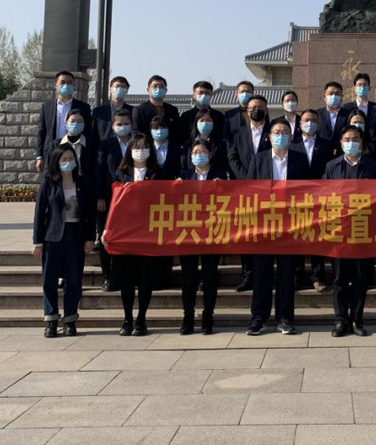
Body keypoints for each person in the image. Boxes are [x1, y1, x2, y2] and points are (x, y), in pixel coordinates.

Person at [245, 119, 310, 335]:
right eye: (276, 132)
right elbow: (250, 191)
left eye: (284, 132)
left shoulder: (300, 160)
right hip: (264, 225)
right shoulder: (258, 159)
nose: (280, 135)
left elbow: (308, 192)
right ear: (269, 136)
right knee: (261, 273)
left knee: (286, 274)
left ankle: (284, 318)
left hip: (290, 225)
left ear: (291, 137)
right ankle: (258, 318)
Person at [111, 134, 174, 336]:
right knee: (126, 279)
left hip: (148, 232)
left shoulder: (158, 173)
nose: (140, 150)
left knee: (145, 278)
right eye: (136, 147)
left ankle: (141, 319)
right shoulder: (121, 174)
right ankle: (127, 319)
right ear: (130, 151)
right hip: (125, 233)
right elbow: (113, 204)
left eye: (144, 147)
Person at [32, 143, 95, 337]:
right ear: (56, 161)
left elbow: (90, 214)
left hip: (76, 235)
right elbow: (39, 214)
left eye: (71, 159)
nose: (68, 162)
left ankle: (70, 320)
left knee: (74, 279)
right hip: (53, 236)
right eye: (64, 159)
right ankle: (51, 319)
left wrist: (90, 238)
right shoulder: (49, 183)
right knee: (49, 279)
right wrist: (37, 242)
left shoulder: (83, 183)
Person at [324, 125, 376, 337]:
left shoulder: (372, 167)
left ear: (361, 142)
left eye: (355, 139)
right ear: (341, 143)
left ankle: (357, 320)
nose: (351, 142)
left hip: (362, 230)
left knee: (359, 278)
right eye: (347, 139)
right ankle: (340, 320)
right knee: (339, 279)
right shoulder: (331, 166)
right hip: (339, 231)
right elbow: (323, 196)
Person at [176, 140, 227, 335]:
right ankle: (188, 317)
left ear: (210, 154)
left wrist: (224, 188)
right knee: (188, 278)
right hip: (188, 232)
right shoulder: (184, 176)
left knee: (209, 277)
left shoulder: (220, 175)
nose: (199, 155)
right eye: (195, 152)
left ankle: (208, 317)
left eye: (202, 151)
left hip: (212, 233)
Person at [227, 94, 271, 292]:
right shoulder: (238, 133)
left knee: (265, 233)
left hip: (267, 191)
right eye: (252, 107)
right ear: (247, 111)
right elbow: (232, 157)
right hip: (243, 190)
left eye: (260, 107)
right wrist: (247, 178)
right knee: (245, 233)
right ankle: (248, 274)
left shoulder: (274, 131)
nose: (256, 110)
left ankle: (264, 274)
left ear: (266, 111)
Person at [290, 108, 333, 292]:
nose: (310, 123)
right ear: (300, 124)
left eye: (313, 120)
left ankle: (318, 276)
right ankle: (297, 276)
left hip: (319, 196)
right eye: (306, 120)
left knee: (318, 237)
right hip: (297, 198)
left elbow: (328, 168)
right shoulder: (292, 144)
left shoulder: (326, 144)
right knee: (298, 237)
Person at [94, 109, 133, 290]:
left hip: (131, 201)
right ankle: (107, 276)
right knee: (106, 236)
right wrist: (100, 196)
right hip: (109, 198)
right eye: (119, 124)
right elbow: (99, 171)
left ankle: (124, 275)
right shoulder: (105, 144)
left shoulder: (137, 144)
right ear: (112, 126)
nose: (123, 127)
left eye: (126, 124)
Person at [35, 71, 92, 173]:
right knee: (51, 180)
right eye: (62, 82)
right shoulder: (47, 107)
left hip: (74, 152)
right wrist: (39, 156)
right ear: (56, 85)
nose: (66, 85)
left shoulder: (84, 107)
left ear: (73, 85)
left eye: (69, 83)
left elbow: (88, 132)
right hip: (52, 153)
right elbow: (42, 132)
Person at [177, 80, 225, 147]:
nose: (204, 95)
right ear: (194, 95)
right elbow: (181, 138)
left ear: (211, 95)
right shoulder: (186, 116)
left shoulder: (218, 116)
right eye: (200, 93)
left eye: (207, 93)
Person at [132, 75, 181, 140]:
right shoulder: (140, 110)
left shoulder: (173, 110)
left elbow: (177, 132)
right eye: (155, 86)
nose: (158, 89)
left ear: (166, 90)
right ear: (148, 90)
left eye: (161, 86)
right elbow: (137, 132)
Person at [181, 109, 229, 174]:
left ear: (213, 123)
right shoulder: (188, 144)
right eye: (202, 120)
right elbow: (183, 165)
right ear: (196, 124)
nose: (205, 123)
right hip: (192, 178)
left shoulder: (220, 144)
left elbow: (223, 165)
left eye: (208, 120)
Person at [91, 76, 132, 143]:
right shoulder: (99, 112)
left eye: (123, 87)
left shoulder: (133, 111)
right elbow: (93, 134)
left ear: (127, 90)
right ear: (110, 89)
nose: (120, 89)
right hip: (103, 147)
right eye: (117, 86)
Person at [60, 108, 93, 183]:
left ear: (84, 124)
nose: (75, 124)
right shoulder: (56, 145)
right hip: (61, 184)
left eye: (79, 122)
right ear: (66, 123)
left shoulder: (91, 145)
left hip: (84, 186)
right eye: (72, 121)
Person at [317, 81, 350, 150]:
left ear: (342, 97)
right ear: (324, 97)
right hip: (321, 153)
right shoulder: (317, 114)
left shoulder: (348, 115)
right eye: (330, 94)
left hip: (342, 153)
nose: (334, 96)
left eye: (337, 94)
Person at [149, 115, 183, 179]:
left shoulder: (176, 148)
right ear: (151, 130)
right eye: (156, 128)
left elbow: (180, 167)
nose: (160, 131)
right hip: (151, 183)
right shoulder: (147, 148)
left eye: (163, 127)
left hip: (171, 183)